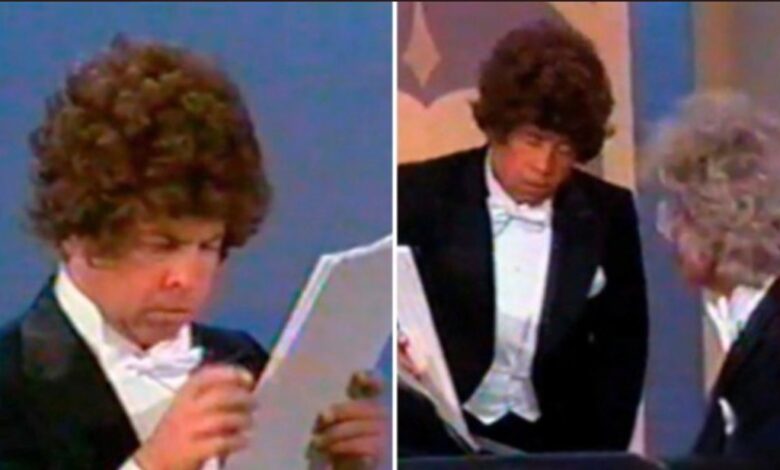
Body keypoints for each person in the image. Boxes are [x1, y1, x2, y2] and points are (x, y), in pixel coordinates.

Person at [0, 36, 387, 469]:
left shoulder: (245, 363)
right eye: (161, 245)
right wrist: (153, 465)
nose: (185, 278)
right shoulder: (11, 384)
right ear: (81, 232)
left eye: (207, 246)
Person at [398, 21, 648, 455]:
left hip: (555, 446)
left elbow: (624, 352)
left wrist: (600, 461)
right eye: (533, 140)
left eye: (564, 149)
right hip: (431, 441)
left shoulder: (608, 212)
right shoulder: (417, 193)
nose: (544, 166)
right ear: (498, 128)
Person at [649, 91, 780, 464]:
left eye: (675, 215)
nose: (668, 235)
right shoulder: (749, 317)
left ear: (714, 219)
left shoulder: (773, 336)